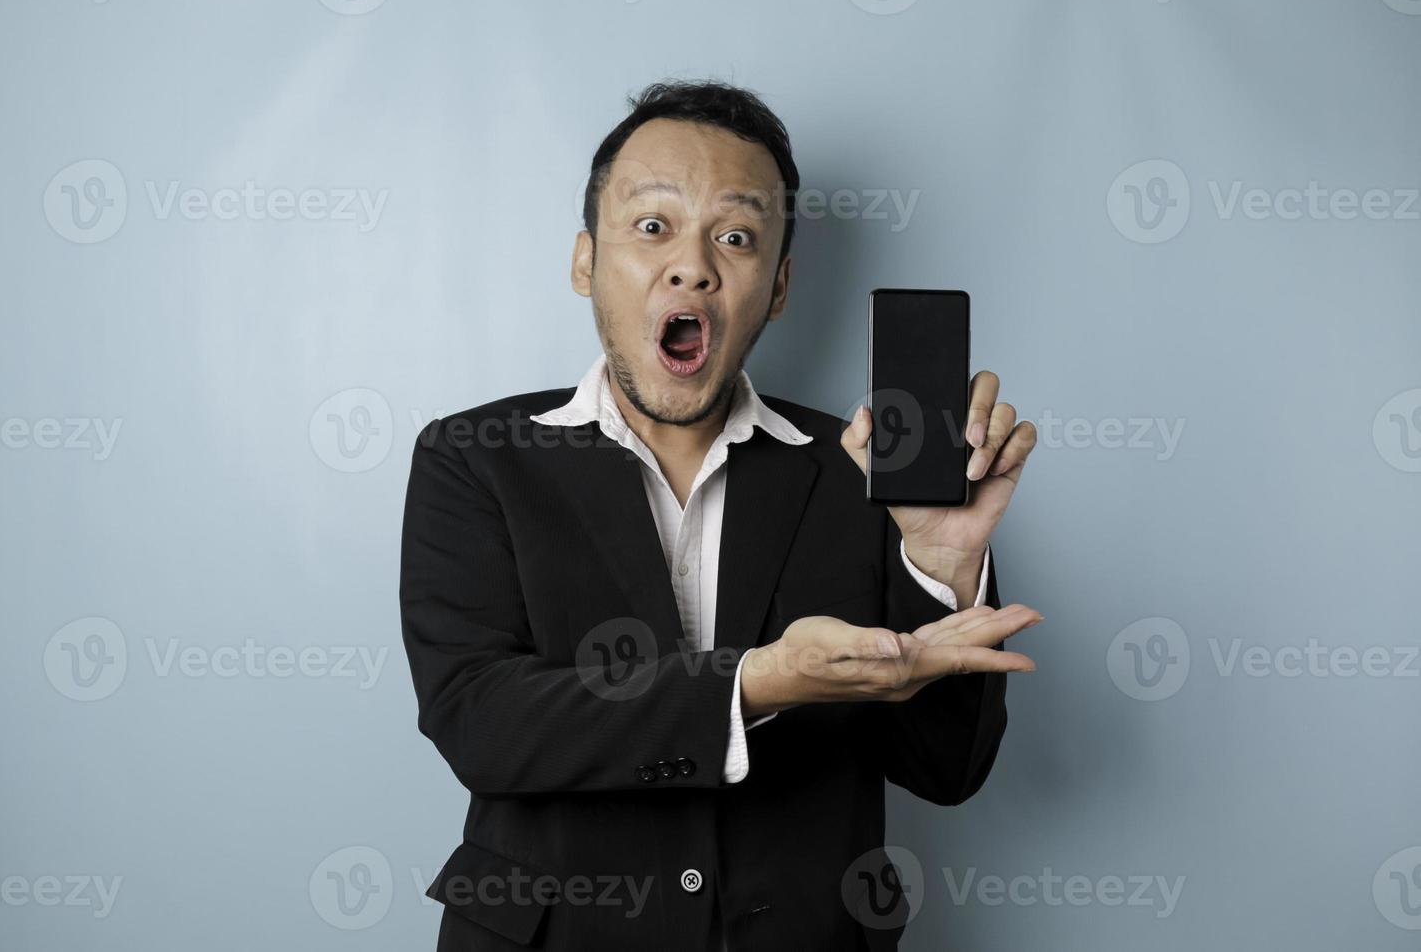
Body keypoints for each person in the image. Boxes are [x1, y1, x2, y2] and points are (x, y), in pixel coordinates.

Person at [400, 79, 1043, 951]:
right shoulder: (476, 454)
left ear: (777, 289)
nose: (694, 264)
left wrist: (941, 567)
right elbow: (484, 723)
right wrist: (754, 686)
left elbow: (946, 770)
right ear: (586, 261)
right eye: (654, 225)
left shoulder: (861, 473)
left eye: (735, 238)